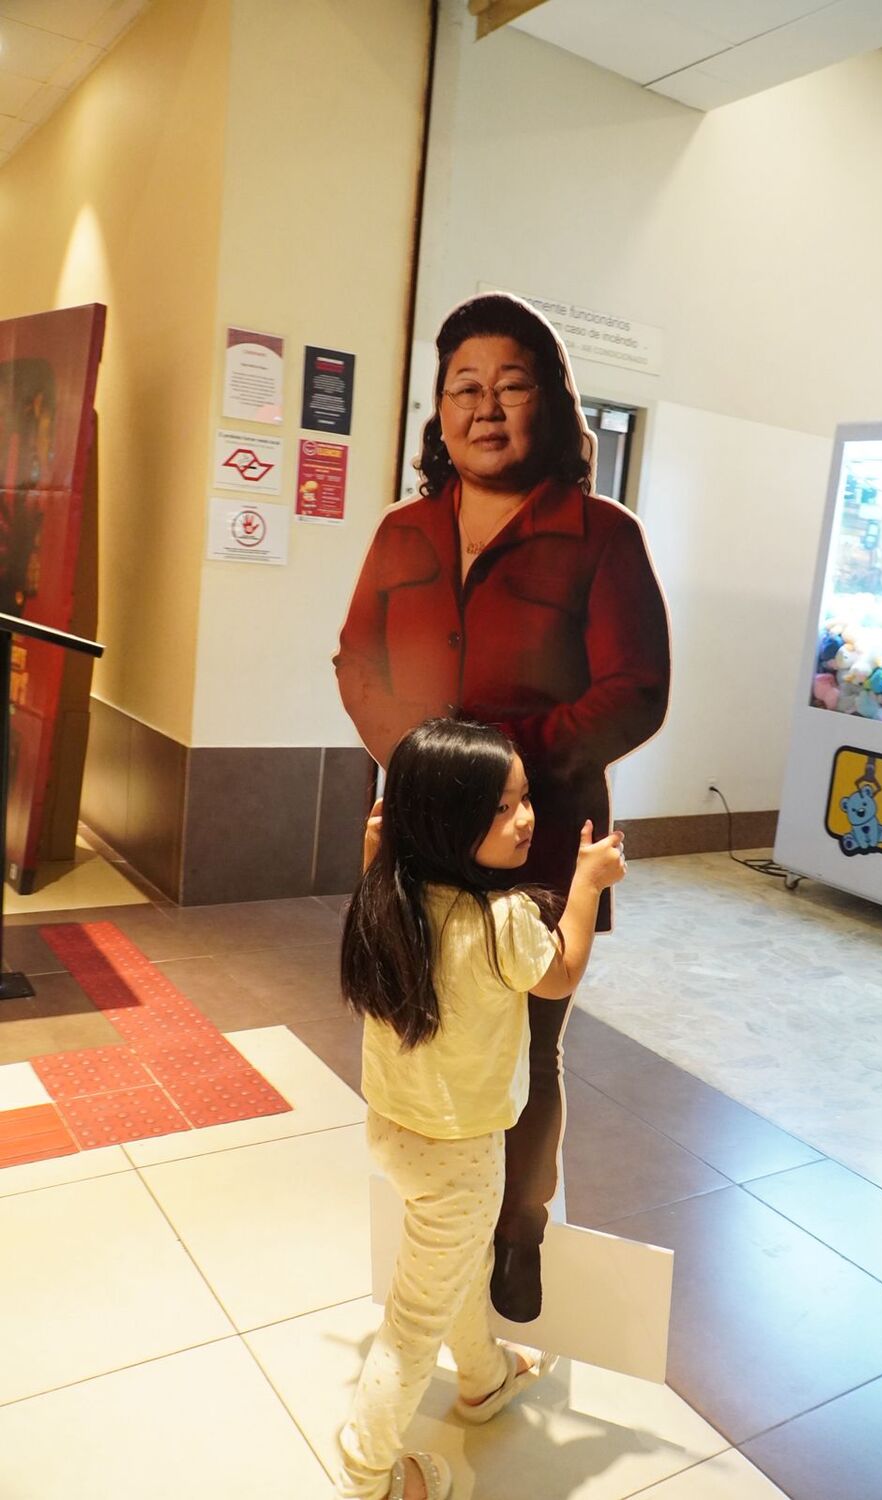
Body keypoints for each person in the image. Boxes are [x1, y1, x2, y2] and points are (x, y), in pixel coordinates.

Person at [334, 292, 670, 1320]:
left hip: (542, 832)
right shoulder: (404, 529)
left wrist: (504, 770)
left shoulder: (602, 535)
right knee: (423, 1019)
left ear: (554, 403)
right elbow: (360, 662)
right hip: (427, 834)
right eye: (462, 389)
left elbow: (636, 689)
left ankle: (518, 1233)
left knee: (528, 1040)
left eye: (510, 387)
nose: (485, 409)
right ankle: (439, 1204)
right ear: (437, 411)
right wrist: (434, 775)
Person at [334, 717, 627, 1500]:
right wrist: (588, 884)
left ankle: (485, 1376)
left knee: (450, 1263)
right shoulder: (502, 926)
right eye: (503, 807)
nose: (526, 817)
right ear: (449, 822)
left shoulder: (383, 901)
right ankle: (367, 1475)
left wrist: (378, 848)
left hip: (394, 1130)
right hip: (461, 1154)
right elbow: (559, 974)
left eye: (525, 798)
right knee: (409, 1327)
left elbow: (380, 863)